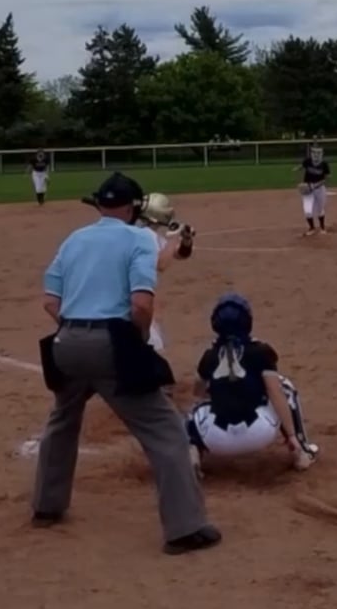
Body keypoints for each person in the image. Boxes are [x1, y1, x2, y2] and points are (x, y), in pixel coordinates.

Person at [32, 171, 220, 555]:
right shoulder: (138, 239)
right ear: (134, 209)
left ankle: (46, 506)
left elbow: (50, 301)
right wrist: (136, 341)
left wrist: (75, 330)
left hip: (65, 343)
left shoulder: (74, 238)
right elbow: (141, 305)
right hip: (111, 344)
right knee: (166, 431)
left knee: (62, 421)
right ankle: (185, 528)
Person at [184, 293, 319, 476]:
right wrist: (291, 435)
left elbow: (198, 392)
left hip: (216, 439)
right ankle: (301, 451)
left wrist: (220, 388)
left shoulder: (209, 356)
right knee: (283, 388)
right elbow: (274, 392)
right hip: (259, 432)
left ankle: (192, 454)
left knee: (194, 409)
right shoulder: (260, 351)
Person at [133, 191, 195, 353]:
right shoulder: (146, 235)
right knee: (152, 347)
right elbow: (161, 264)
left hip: (126, 303)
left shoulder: (144, 233)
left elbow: (180, 254)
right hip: (134, 304)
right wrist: (174, 237)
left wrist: (186, 240)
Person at [297, 142, 331, 236]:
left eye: (318, 152)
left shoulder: (324, 164)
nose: (316, 154)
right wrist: (297, 169)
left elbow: (327, 178)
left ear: (321, 153)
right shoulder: (308, 161)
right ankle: (311, 228)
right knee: (307, 210)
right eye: (314, 152)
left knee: (320, 209)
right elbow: (303, 166)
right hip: (307, 189)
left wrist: (315, 185)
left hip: (319, 189)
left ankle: (322, 227)